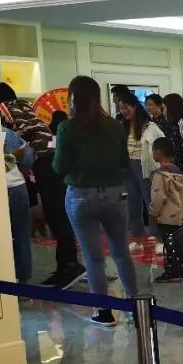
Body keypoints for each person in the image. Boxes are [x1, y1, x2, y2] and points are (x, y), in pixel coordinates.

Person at [53, 75, 138, 326]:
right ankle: (136, 306)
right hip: (115, 194)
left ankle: (104, 312)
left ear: (72, 98)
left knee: (93, 257)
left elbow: (59, 166)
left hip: (81, 195)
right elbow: (123, 162)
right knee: (121, 252)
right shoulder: (114, 126)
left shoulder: (67, 128)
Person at [33, 110, 85, 288]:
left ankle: (70, 266)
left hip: (57, 187)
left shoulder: (47, 141)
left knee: (61, 223)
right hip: (61, 187)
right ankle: (65, 266)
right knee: (59, 223)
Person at [117, 94, 163, 239]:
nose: (123, 111)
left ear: (135, 106)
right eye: (120, 108)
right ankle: (137, 236)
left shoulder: (148, 125)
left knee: (150, 200)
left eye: (126, 107)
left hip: (144, 165)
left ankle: (158, 236)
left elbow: (161, 141)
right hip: (127, 166)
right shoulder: (122, 125)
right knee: (131, 202)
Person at [148, 137, 183, 284]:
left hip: (166, 216)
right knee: (178, 244)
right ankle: (181, 269)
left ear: (159, 152)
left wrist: (153, 212)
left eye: (153, 150)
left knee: (169, 245)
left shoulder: (160, 175)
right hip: (179, 215)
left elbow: (158, 197)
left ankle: (172, 272)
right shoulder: (179, 173)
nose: (152, 153)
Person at [2, 119, 34, 284]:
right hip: (17, 186)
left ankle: (6, 277)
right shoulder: (7, 133)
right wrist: (12, 157)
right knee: (21, 235)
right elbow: (27, 157)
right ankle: (23, 280)